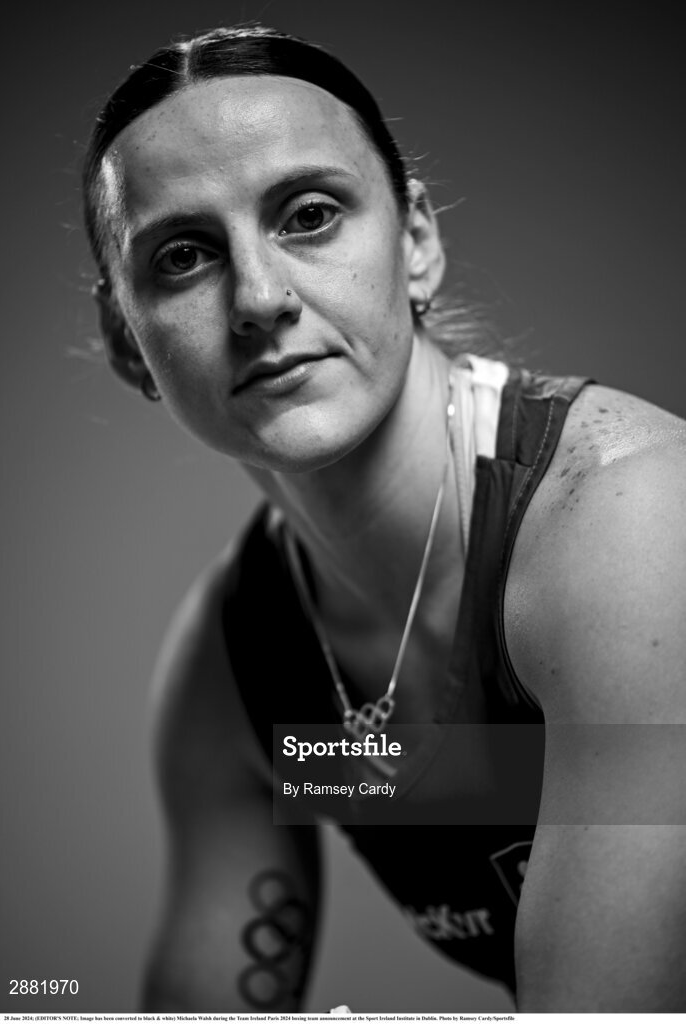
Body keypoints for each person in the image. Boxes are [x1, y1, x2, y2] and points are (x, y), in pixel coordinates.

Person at [82, 24, 686, 1012]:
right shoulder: (234, 668)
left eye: (309, 215)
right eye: (184, 256)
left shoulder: (626, 518)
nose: (261, 297)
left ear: (414, 242)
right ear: (125, 340)